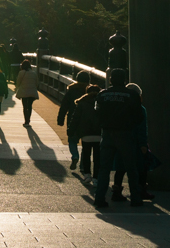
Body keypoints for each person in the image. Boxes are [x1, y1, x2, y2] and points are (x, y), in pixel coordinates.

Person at [93, 68, 144, 208]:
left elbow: (97, 113)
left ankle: (99, 198)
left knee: (104, 168)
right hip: (126, 134)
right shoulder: (132, 95)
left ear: (110, 80)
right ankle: (136, 198)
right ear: (124, 80)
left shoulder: (103, 94)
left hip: (107, 134)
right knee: (131, 168)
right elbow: (139, 116)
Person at [57, 71, 90, 170]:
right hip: (86, 121)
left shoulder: (71, 90)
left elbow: (64, 106)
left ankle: (75, 156)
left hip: (72, 119)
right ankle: (83, 165)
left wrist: (60, 119)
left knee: (72, 139)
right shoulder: (90, 92)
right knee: (86, 143)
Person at [72, 84, 102, 182]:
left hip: (85, 134)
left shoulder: (82, 103)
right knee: (97, 157)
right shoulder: (102, 103)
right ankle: (96, 177)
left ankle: (87, 174)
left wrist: (71, 130)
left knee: (86, 154)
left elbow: (76, 118)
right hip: (99, 134)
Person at [13, 58, 39, 126]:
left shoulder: (21, 73)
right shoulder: (34, 73)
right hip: (32, 91)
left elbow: (18, 82)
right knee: (29, 106)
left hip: (24, 91)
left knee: (25, 106)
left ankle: (26, 121)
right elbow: (37, 83)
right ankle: (29, 119)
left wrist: (17, 87)